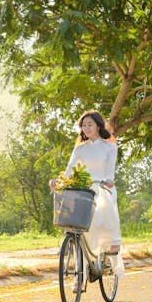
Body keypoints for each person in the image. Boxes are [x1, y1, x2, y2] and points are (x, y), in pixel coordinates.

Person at [50, 110, 124, 284]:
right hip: (84, 191)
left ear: (99, 125)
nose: (86, 128)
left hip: (103, 188)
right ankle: (79, 275)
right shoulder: (80, 149)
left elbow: (110, 172)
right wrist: (57, 182)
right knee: (77, 230)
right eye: (83, 125)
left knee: (103, 212)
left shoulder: (109, 147)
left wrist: (109, 181)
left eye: (90, 124)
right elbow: (68, 171)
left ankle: (111, 248)